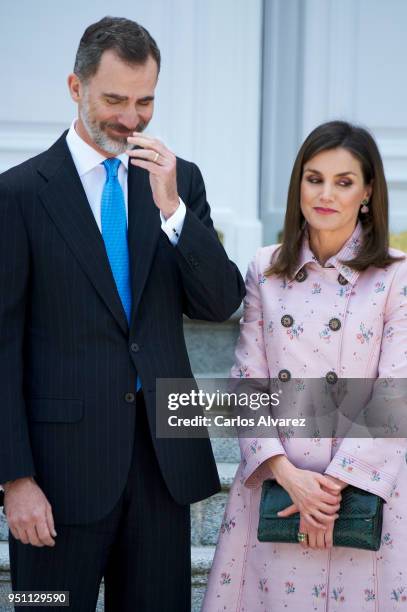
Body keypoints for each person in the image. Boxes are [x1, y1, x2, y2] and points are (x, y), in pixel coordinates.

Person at [0, 16, 245, 612]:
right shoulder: (19, 195)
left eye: (145, 101)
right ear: (74, 87)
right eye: (114, 99)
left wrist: (174, 211)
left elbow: (220, 302)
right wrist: (15, 481)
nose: (131, 119)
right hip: (56, 478)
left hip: (162, 467)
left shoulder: (178, 182)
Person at [202, 121, 407, 611]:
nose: (326, 194)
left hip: (362, 497)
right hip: (278, 487)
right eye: (314, 179)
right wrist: (290, 477)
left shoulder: (395, 275)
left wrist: (330, 493)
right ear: (298, 185)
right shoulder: (266, 268)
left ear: (367, 192)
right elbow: (247, 384)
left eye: (343, 181)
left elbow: (394, 393)